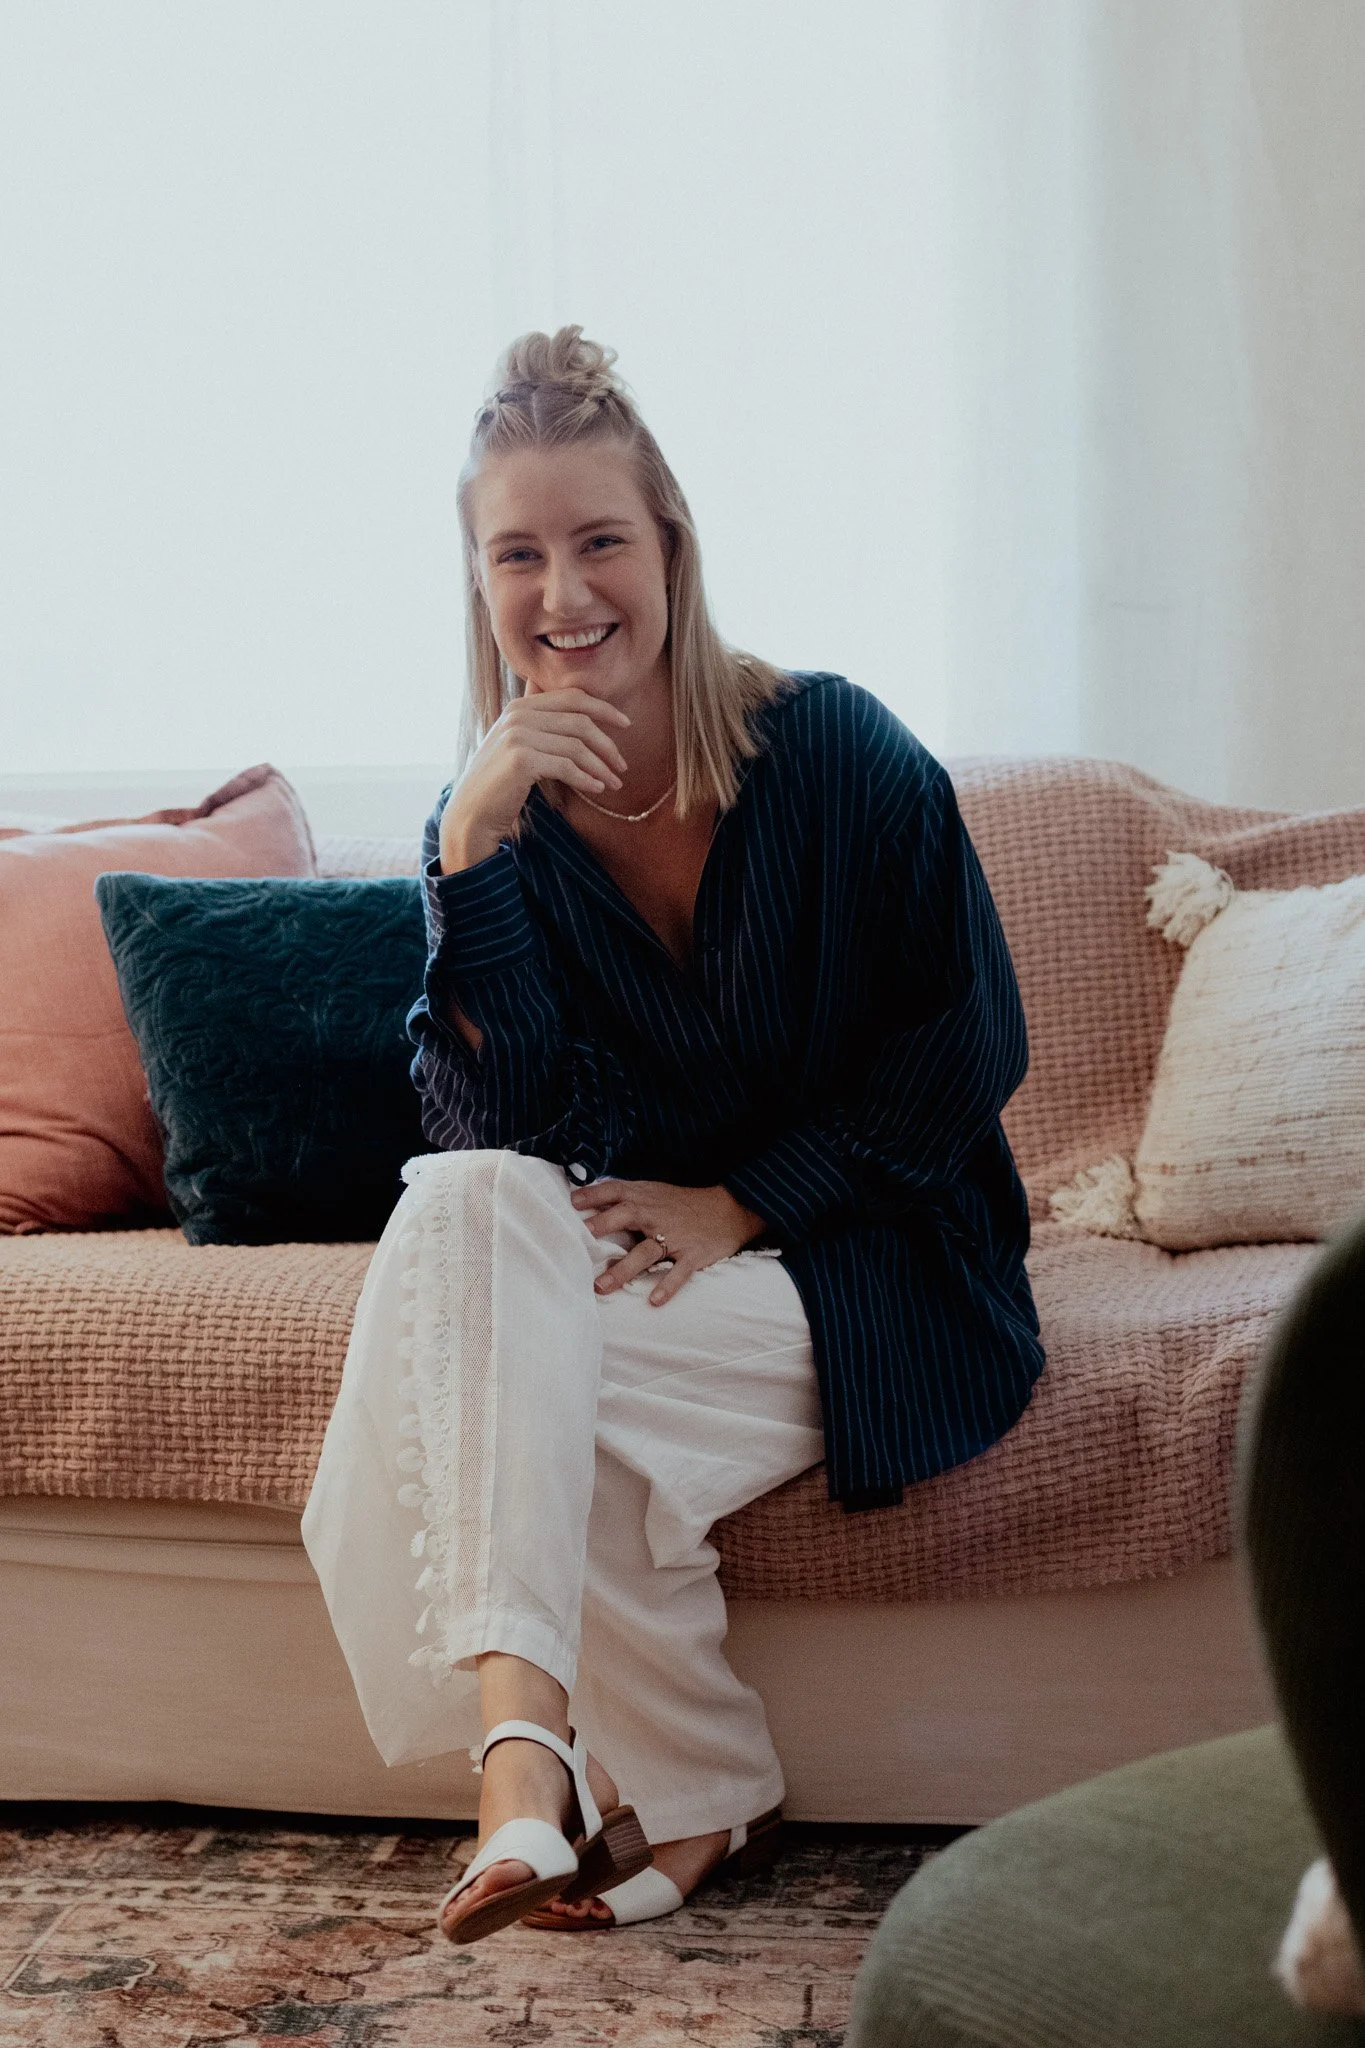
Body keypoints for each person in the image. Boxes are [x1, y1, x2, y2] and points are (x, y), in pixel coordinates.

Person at [301, 326, 1044, 1947]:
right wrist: (476, 842)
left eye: (598, 542)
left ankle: (602, 1780)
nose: (563, 594)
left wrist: (747, 1199)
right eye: (519, 554)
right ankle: (562, 1770)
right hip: (658, 1280)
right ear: (478, 581)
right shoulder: (495, 821)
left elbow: (976, 1036)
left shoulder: (836, 749)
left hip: (883, 1262)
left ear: (672, 549)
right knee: (477, 1240)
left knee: (494, 1355)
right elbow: (485, 1127)